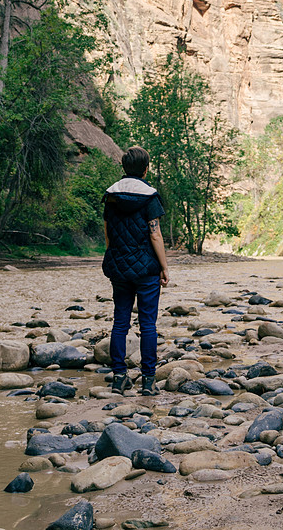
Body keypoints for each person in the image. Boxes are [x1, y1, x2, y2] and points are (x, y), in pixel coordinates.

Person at [102, 145, 169, 396]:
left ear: (123, 168)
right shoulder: (150, 196)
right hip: (147, 269)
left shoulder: (111, 194)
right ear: (145, 168)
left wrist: (113, 255)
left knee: (120, 323)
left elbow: (108, 231)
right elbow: (155, 234)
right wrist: (163, 266)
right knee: (148, 324)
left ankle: (119, 378)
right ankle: (148, 382)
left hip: (119, 266)